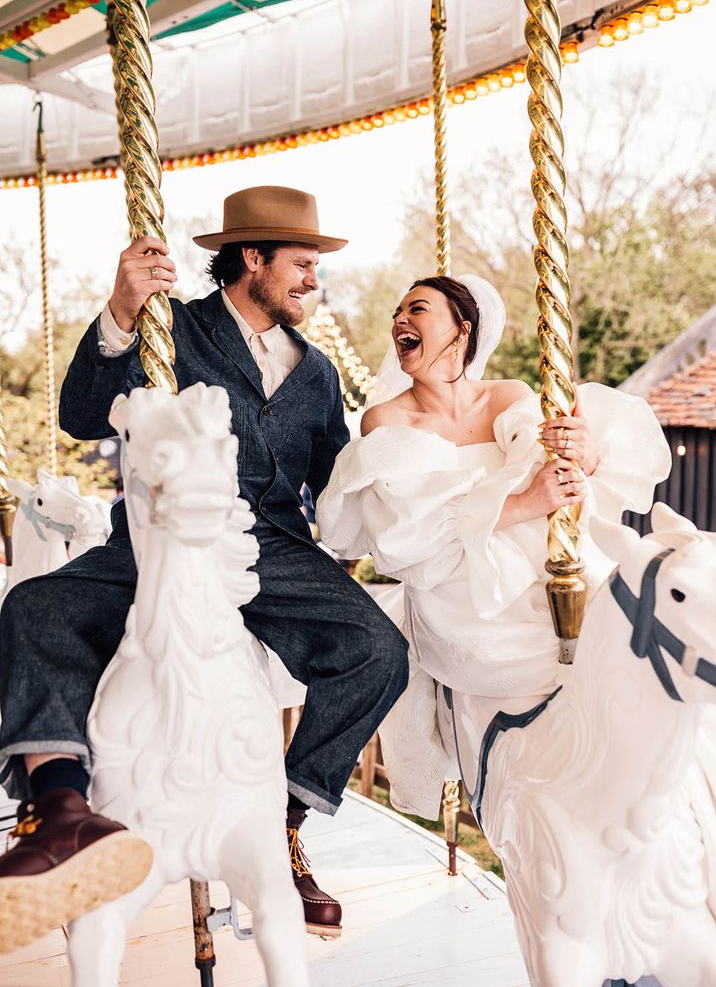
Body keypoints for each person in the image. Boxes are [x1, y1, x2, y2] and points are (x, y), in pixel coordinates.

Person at [0, 185, 409, 950]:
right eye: (301, 263)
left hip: (274, 551)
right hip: (157, 537)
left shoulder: (316, 372)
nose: (313, 279)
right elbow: (82, 418)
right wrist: (121, 313)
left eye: (315, 264)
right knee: (34, 608)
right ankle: (58, 811)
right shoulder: (171, 327)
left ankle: (281, 825)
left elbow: (336, 483)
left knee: (380, 653)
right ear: (250, 258)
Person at [315, 274, 671, 820]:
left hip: (538, 567)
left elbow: (547, 467)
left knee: (631, 619)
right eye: (397, 311)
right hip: (457, 592)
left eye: (418, 309)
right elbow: (413, 532)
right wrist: (527, 502)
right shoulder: (387, 419)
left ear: (462, 329)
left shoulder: (509, 396)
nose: (399, 321)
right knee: (527, 651)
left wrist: (582, 453)